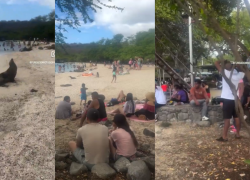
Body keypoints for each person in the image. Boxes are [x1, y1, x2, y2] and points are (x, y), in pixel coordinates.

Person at [214, 60, 245, 141]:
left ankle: (224, 137)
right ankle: (238, 134)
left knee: (227, 119)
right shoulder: (237, 73)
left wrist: (222, 60)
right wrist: (238, 65)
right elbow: (241, 71)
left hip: (227, 99)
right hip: (236, 99)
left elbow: (216, 63)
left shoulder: (225, 73)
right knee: (237, 118)